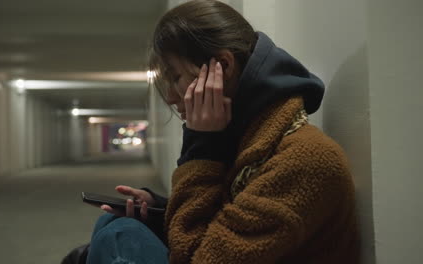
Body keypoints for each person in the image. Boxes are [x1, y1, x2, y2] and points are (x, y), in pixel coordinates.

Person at [62, 1, 360, 263]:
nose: (171, 96)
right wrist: (163, 210)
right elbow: (227, 219)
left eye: (175, 76)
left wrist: (202, 147)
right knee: (113, 222)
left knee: (121, 235)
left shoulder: (304, 160)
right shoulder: (249, 139)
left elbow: (195, 256)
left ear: (223, 65)